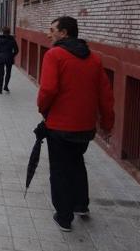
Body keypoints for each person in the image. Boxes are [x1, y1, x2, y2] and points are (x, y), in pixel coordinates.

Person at [37, 16, 114, 232]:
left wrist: (44, 110)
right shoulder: (94, 58)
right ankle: (81, 205)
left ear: (64, 33)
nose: (48, 33)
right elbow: (105, 95)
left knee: (60, 170)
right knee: (77, 163)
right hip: (85, 128)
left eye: (52, 29)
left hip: (60, 126)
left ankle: (63, 217)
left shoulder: (54, 55)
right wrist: (107, 124)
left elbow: (48, 90)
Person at [0, 26, 19, 94]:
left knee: (1, 74)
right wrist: (12, 55)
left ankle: (0, 89)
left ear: (3, 32)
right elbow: (16, 50)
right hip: (9, 58)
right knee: (8, 73)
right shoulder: (12, 40)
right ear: (9, 32)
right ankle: (6, 86)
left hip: (0, 58)